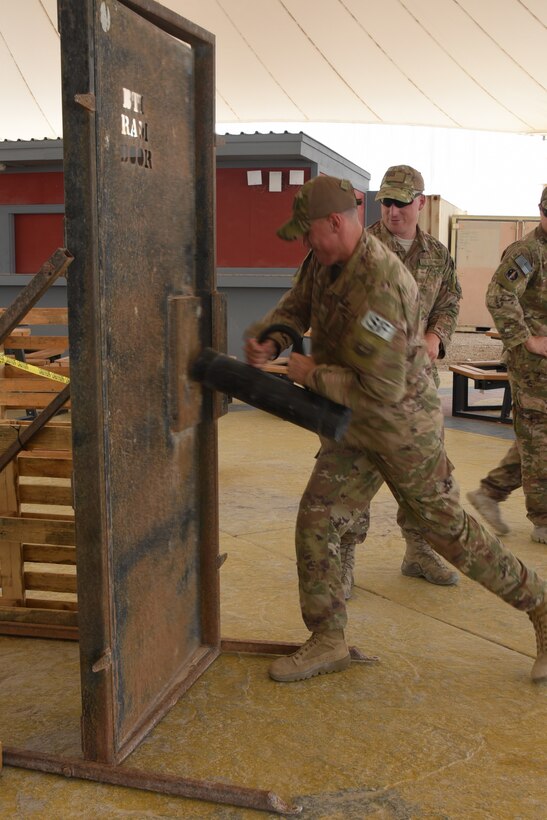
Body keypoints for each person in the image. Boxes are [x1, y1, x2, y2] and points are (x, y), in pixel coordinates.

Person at [244, 174, 547, 685]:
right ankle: (328, 639)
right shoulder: (324, 258)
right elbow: (298, 302)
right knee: (317, 517)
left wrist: (309, 373)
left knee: (450, 534)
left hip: (402, 426)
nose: (306, 242)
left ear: (335, 222)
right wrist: (272, 338)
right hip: (354, 423)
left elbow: (381, 388)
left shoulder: (384, 284)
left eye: (310, 232)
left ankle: (541, 606)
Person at [339, 165, 462, 596]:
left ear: (421, 203)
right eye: (386, 202)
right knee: (353, 468)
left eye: (401, 202)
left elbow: (449, 300)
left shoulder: (437, 255)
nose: (392, 210)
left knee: (424, 469)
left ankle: (419, 550)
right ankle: (344, 557)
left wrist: (435, 337)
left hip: (417, 386)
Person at [467, 186, 547, 545]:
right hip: (533, 363)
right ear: (541, 211)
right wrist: (528, 339)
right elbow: (498, 295)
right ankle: (543, 520)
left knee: (535, 434)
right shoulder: (527, 252)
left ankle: (490, 492)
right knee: (538, 434)